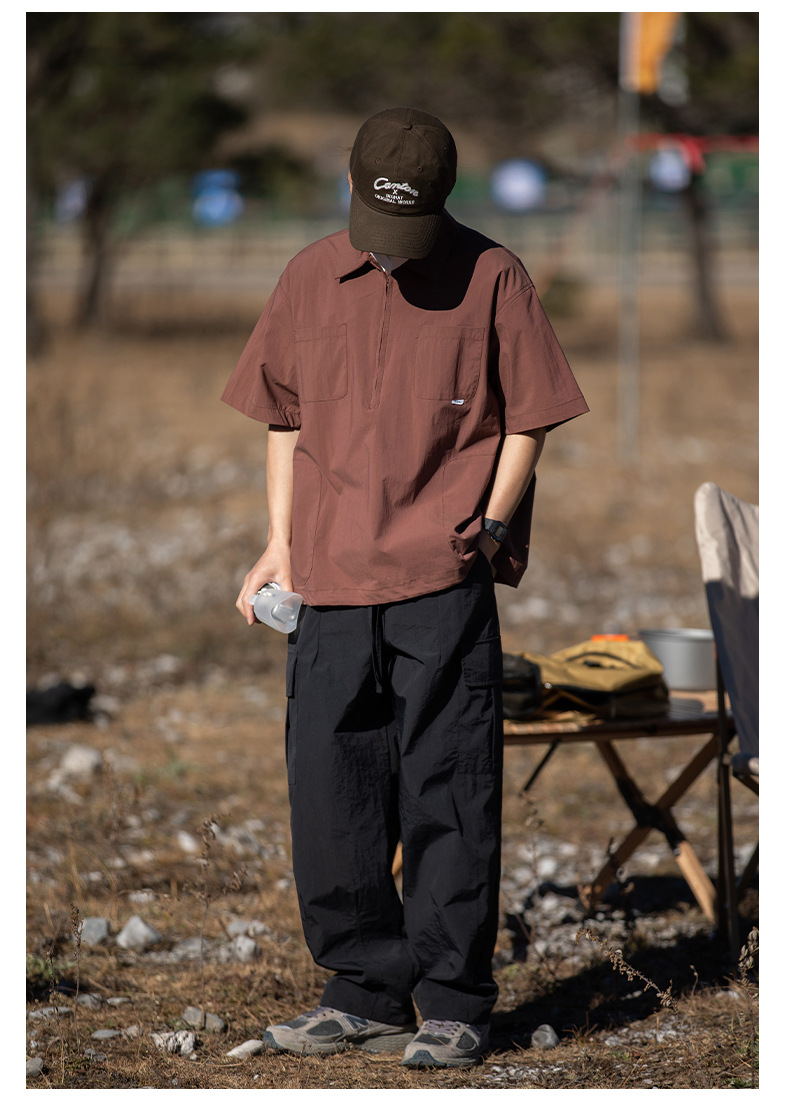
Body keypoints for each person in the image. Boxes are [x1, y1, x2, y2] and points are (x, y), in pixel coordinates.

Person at [221, 106, 588, 1069]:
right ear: (350, 186)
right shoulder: (308, 276)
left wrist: (492, 528)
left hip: (442, 579)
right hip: (328, 579)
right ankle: (362, 992)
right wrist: (278, 546)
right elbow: (285, 423)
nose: (391, 248)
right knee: (330, 794)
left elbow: (531, 418)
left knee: (448, 793)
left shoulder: (493, 275)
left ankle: (455, 1001)